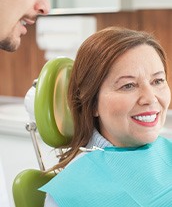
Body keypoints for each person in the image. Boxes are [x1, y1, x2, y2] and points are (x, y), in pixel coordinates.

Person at [40, 27, 172, 207]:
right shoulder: (71, 192)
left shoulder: (166, 151)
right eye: (128, 85)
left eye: (157, 81)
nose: (150, 98)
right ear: (92, 103)